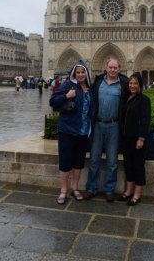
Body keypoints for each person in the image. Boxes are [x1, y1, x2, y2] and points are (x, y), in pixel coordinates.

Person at [49, 60, 94, 205]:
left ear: (86, 74)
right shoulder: (67, 85)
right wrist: (67, 96)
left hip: (83, 131)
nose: (80, 75)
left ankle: (75, 188)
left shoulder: (90, 88)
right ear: (74, 74)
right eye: (78, 73)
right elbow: (53, 101)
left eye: (83, 72)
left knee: (78, 161)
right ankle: (63, 190)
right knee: (65, 160)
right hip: (67, 129)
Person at [84, 58, 128, 202]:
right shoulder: (97, 82)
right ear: (106, 67)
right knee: (94, 158)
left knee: (112, 161)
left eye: (115, 68)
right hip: (98, 125)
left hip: (114, 125)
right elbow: (87, 98)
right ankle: (91, 188)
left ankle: (109, 190)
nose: (113, 70)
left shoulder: (123, 84)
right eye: (111, 67)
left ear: (119, 69)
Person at [118, 72, 151, 206]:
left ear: (140, 85)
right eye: (130, 83)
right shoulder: (126, 98)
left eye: (135, 83)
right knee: (128, 165)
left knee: (138, 166)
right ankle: (128, 191)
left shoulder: (144, 100)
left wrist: (141, 138)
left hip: (137, 139)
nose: (132, 86)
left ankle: (137, 195)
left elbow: (145, 120)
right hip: (126, 138)